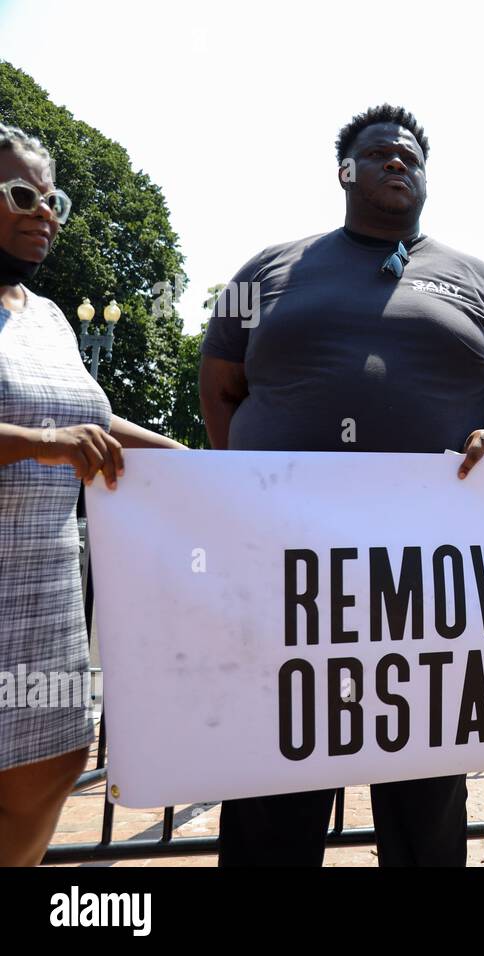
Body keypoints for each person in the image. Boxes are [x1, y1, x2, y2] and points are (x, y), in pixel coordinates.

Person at [199, 104, 484, 867]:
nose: (398, 163)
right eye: (380, 153)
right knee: (272, 782)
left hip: (425, 580)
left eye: (411, 156)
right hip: (287, 570)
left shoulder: (482, 281)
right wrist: (256, 482)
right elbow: (217, 383)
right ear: (344, 172)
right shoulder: (263, 269)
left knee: (424, 792)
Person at [0, 123, 184, 867]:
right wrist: (46, 446)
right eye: (22, 195)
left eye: (55, 202)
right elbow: (63, 436)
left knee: (46, 773)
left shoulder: (46, 317)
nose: (44, 214)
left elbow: (91, 421)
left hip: (44, 595)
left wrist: (190, 463)